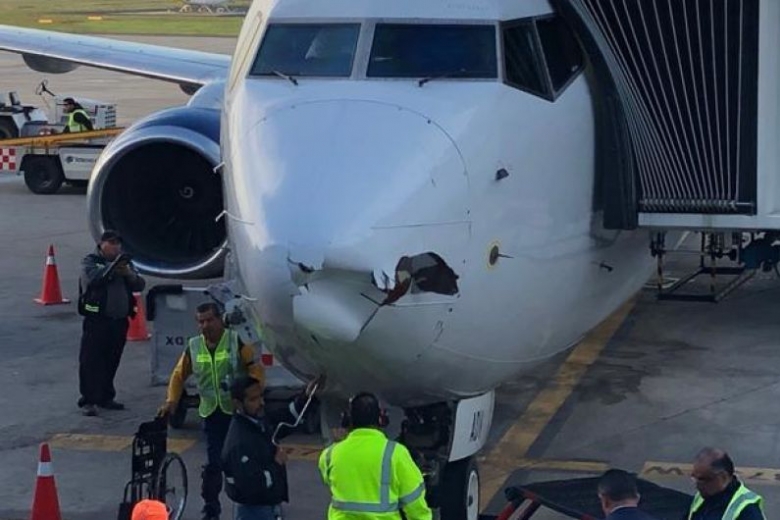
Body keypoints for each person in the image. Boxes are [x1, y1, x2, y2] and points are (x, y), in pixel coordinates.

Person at [158, 302, 266, 520]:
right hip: (211, 413)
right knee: (213, 465)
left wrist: (253, 398)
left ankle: (258, 503)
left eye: (210, 320)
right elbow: (178, 375)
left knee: (246, 461)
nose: (205, 325)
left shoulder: (235, 341)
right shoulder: (194, 346)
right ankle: (211, 509)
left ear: (220, 320)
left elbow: (255, 369)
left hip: (237, 414)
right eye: (201, 322)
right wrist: (171, 401)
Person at [318, 392, 432, 520]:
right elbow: (414, 500)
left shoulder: (329, 455)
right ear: (381, 419)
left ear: (348, 420)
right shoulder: (396, 453)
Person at [222, 375, 319, 520]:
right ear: (237, 404)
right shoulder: (239, 442)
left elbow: (285, 418)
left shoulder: (257, 422)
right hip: (254, 511)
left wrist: (307, 396)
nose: (261, 402)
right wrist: (277, 463)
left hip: (268, 505)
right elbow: (251, 486)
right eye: (253, 399)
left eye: (261, 396)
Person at [78, 230, 145, 417]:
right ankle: (89, 400)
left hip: (119, 321)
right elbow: (93, 279)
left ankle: (106, 396)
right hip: (97, 320)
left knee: (112, 359)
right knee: (91, 361)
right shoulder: (91, 261)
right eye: (112, 243)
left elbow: (140, 284)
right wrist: (113, 269)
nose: (116, 247)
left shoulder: (125, 264)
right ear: (102, 244)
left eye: (118, 243)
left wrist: (128, 274)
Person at [688, 448, 766, 520]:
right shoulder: (703, 496)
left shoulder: (748, 511)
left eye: (702, 479)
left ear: (723, 477)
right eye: (694, 478)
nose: (697, 486)